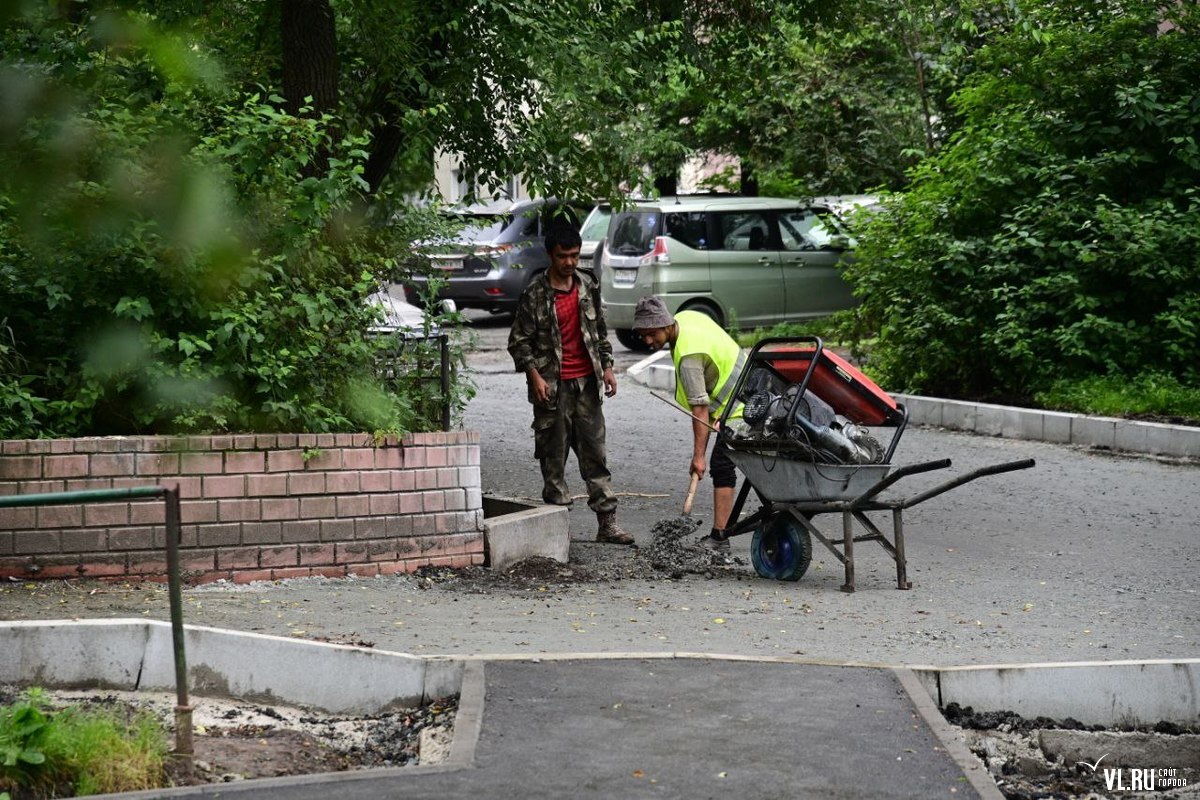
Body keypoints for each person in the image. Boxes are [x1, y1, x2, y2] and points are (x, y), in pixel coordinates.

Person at [507, 223, 634, 545]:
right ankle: (557, 528)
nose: (570, 262)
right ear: (551, 255)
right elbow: (519, 343)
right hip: (551, 388)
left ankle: (607, 523)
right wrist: (534, 377)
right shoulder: (535, 293)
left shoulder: (588, 285)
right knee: (553, 458)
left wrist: (607, 368)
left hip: (586, 386)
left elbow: (600, 333)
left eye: (575, 256)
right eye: (563, 256)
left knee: (596, 454)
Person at [631, 296, 746, 557]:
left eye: (651, 334)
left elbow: (700, 410)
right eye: (643, 336)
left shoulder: (689, 357)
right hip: (746, 386)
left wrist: (698, 458)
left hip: (743, 406)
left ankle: (720, 538)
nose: (648, 341)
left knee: (721, 463)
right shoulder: (688, 318)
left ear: (665, 324)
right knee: (723, 460)